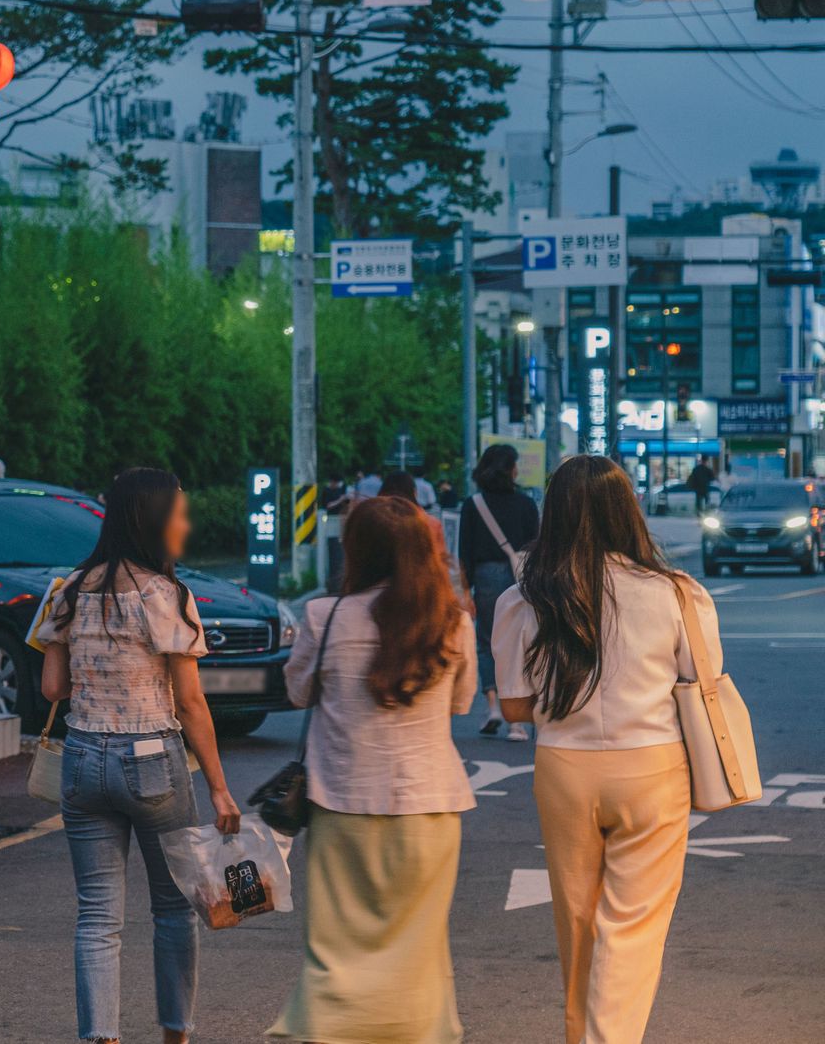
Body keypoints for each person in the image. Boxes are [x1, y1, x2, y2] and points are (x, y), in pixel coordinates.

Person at [493, 455, 725, 1044]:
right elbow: (704, 678)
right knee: (633, 925)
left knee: (576, 921)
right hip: (652, 766)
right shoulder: (675, 593)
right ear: (629, 511)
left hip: (564, 768)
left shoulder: (523, 598)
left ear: (556, 513)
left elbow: (515, 709)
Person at [38, 467, 241, 1044]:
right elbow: (193, 703)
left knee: (98, 919)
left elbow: (54, 689)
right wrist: (220, 789)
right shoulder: (166, 595)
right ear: (152, 519)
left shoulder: (69, 589)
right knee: (175, 909)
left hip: (82, 758)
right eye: (179, 512)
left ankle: (100, 1037)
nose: (186, 523)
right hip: (152, 759)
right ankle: (175, 1035)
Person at [267, 495, 476, 1044]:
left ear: (355, 550)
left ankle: (327, 1029)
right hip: (430, 808)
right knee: (419, 949)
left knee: (336, 947)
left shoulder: (324, 615)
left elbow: (296, 692)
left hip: (341, 803)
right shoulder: (453, 621)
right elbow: (461, 704)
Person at [458, 443, 539, 741]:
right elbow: (537, 545)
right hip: (522, 577)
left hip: (487, 577)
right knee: (521, 643)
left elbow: (463, 552)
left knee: (487, 642)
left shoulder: (473, 504)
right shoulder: (526, 504)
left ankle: (492, 707)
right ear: (509, 469)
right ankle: (516, 722)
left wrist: (466, 593)